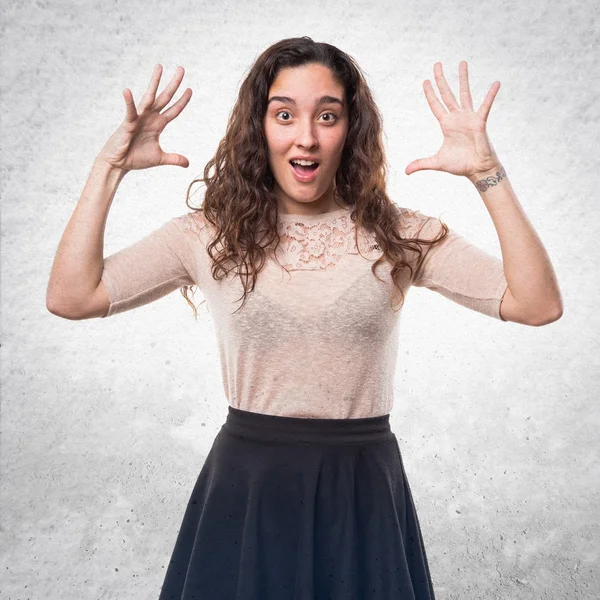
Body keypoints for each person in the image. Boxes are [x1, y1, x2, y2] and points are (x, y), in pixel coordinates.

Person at [46, 36, 562, 600]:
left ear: (351, 129)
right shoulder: (207, 235)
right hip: (247, 487)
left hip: (363, 486)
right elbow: (74, 297)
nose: (306, 136)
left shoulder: (402, 234)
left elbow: (536, 304)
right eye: (284, 114)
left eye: (328, 115)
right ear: (258, 126)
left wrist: (488, 174)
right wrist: (109, 167)